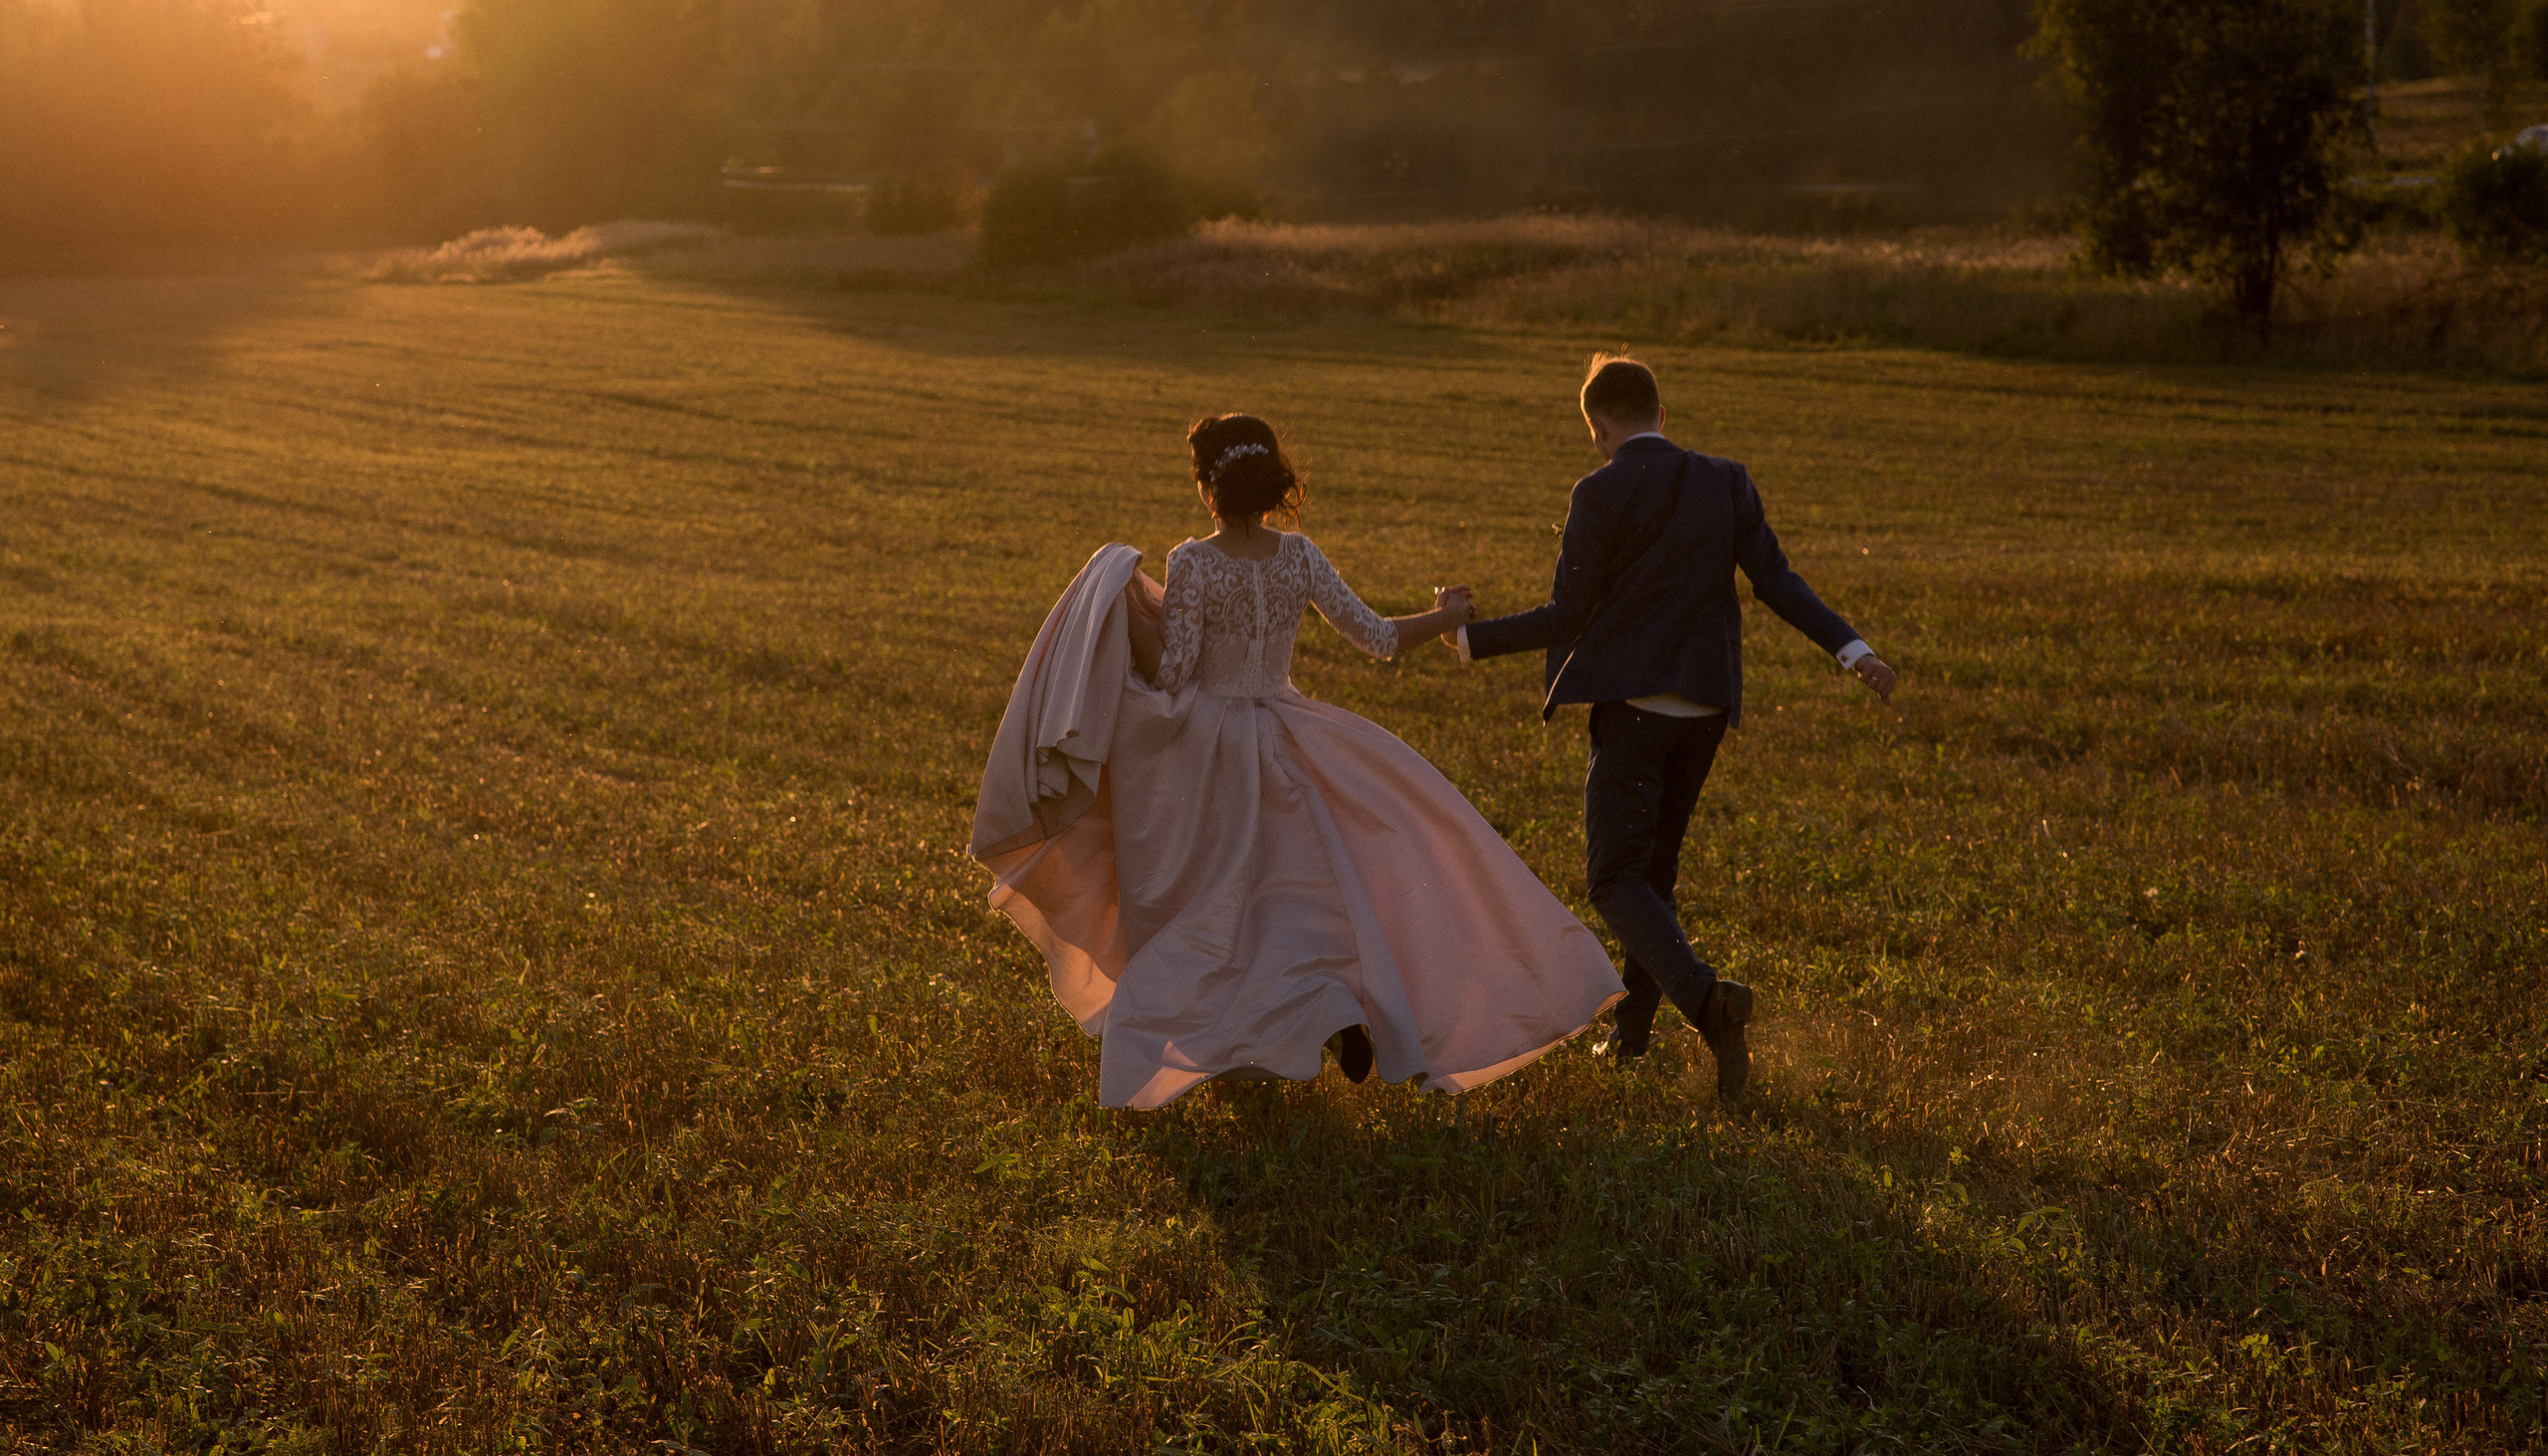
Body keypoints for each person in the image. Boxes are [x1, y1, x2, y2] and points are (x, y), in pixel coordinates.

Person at [968, 413, 1626, 1110]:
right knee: (1297, 895)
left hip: (1208, 750)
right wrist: (1445, 616)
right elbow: (1377, 637)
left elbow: (1175, 671)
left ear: (1208, 487)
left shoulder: (1193, 561)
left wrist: (1125, 611)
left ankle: (1260, 1029)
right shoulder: (1299, 557)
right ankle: (1328, 1007)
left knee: (1218, 905)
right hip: (1287, 734)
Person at [1453, 355, 1898, 1101]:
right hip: (1707, 710)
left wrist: (1468, 638)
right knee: (1652, 877)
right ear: (1662, 415)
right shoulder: (1727, 480)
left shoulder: (1598, 490)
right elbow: (1776, 581)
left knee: (1613, 877)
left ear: (1598, 428)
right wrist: (1854, 651)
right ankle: (1630, 1037)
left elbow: (1567, 615)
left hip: (1635, 710)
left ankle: (1707, 1001)